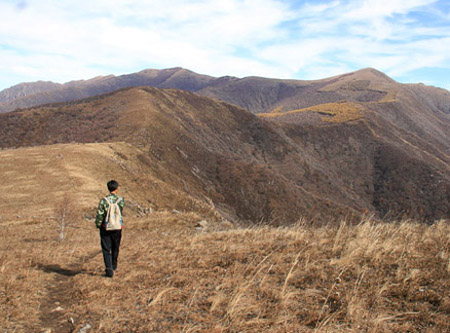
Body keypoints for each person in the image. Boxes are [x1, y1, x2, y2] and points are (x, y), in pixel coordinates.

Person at [95, 180, 125, 278]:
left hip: (106, 228)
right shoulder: (121, 200)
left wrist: (98, 225)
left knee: (106, 249)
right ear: (116, 189)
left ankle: (109, 269)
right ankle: (114, 264)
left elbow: (100, 215)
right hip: (117, 227)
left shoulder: (104, 201)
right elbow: (120, 211)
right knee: (115, 247)